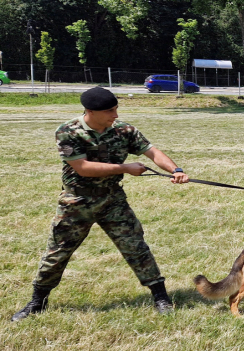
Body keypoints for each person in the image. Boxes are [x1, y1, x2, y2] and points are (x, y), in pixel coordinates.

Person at [11, 87, 189, 322]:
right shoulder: (68, 132)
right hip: (77, 201)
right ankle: (37, 302)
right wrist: (126, 168)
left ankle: (161, 297)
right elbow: (83, 168)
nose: (115, 114)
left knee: (135, 246)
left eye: (116, 109)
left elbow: (152, 152)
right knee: (58, 252)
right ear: (90, 111)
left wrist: (175, 170)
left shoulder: (124, 130)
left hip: (112, 199)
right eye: (109, 110)